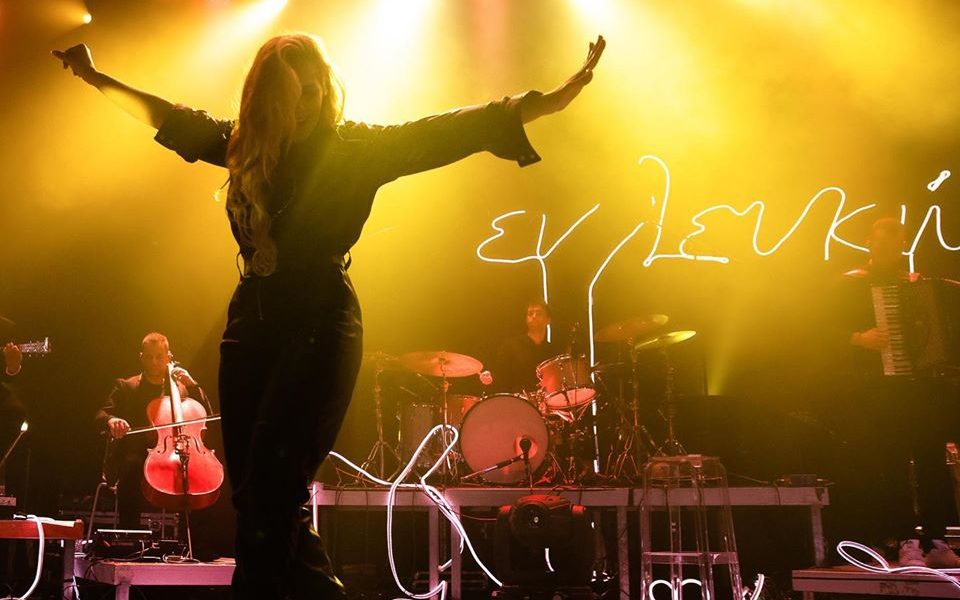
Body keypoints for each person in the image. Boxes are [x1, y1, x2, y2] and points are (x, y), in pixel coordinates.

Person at [54, 33, 605, 600]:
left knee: (273, 493)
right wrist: (97, 78)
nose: (306, 103)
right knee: (257, 498)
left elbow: (444, 131)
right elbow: (170, 119)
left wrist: (542, 102)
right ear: (268, 97)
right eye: (293, 93)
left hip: (320, 322)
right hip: (251, 327)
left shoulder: (353, 148)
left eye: (315, 91)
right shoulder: (245, 146)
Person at [828, 217, 960, 568]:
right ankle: (905, 539)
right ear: (869, 243)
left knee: (932, 461)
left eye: (896, 244)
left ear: (903, 245)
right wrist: (858, 338)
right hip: (878, 389)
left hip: (921, 387)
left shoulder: (916, 284)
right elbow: (819, 331)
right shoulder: (851, 285)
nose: (889, 251)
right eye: (882, 244)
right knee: (894, 464)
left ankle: (936, 540)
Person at [95, 332, 207, 529]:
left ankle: (191, 538)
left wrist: (192, 384)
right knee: (131, 468)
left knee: (195, 476)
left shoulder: (181, 389)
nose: (154, 362)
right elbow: (101, 414)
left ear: (168, 357)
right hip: (136, 456)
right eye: (149, 356)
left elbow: (206, 414)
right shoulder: (126, 386)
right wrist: (113, 420)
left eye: (159, 357)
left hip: (174, 454)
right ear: (141, 357)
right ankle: (129, 534)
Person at [483, 298, 555, 394]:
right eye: (530, 313)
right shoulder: (510, 347)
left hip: (547, 401)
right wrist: (490, 377)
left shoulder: (553, 351)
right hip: (518, 401)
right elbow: (500, 376)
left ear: (548, 320)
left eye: (538, 313)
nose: (534, 316)